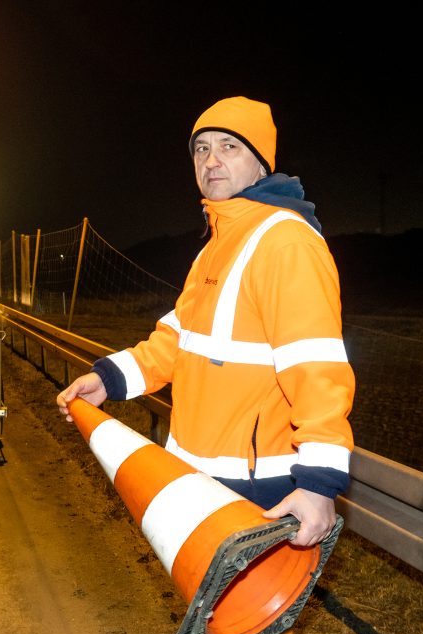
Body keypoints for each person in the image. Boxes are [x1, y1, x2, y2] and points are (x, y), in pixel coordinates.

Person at [57, 96, 355, 548]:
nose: (211, 160)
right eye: (201, 149)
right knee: (210, 616)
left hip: (259, 487)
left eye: (229, 147)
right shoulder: (217, 244)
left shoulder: (284, 242)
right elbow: (178, 340)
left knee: (251, 618)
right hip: (198, 477)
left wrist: (317, 484)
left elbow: (316, 367)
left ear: (261, 164)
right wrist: (109, 380)